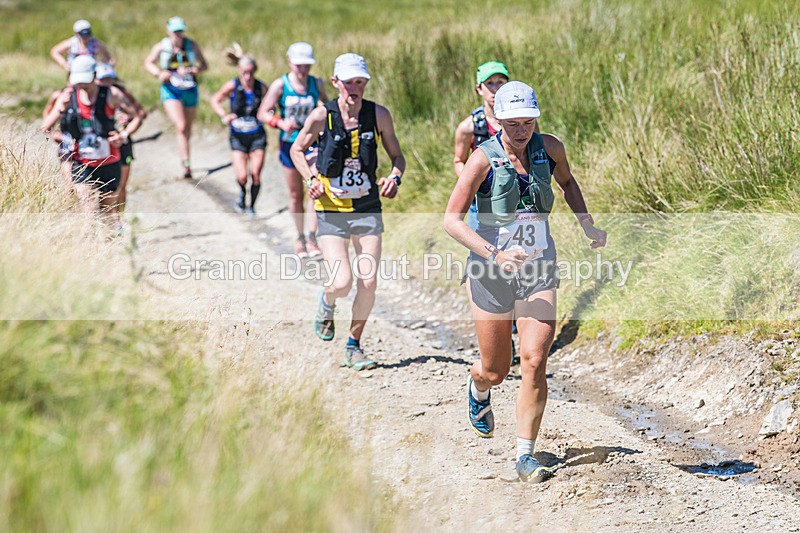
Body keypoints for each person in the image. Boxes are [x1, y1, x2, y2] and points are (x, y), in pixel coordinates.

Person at [443, 81, 607, 482]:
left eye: (528, 122)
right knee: (495, 369)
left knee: (534, 359)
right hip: (490, 272)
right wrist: (494, 254)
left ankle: (525, 456)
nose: (521, 130)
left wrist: (587, 223)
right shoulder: (482, 159)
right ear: (496, 119)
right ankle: (478, 388)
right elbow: (451, 220)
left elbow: (567, 183)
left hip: (538, 268)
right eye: (513, 123)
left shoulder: (549, 148)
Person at [291, 53, 405, 370]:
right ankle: (327, 303)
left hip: (367, 206)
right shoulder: (320, 116)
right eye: (348, 82)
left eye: (360, 82)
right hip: (331, 208)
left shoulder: (378, 115)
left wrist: (394, 178)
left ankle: (354, 345)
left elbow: (398, 156)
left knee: (368, 281)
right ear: (335, 82)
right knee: (341, 283)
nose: (354, 88)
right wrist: (311, 179)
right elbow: (296, 149)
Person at [41, 56, 141, 228]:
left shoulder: (111, 94)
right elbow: (45, 127)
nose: (81, 86)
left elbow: (136, 117)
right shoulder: (67, 96)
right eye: (78, 81)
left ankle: (109, 248)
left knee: (108, 211)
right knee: (88, 208)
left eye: (85, 81)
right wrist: (61, 110)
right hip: (81, 162)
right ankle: (89, 248)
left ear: (94, 75)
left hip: (109, 161)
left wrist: (122, 135)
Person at [258, 42, 328, 258]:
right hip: (289, 143)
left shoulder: (317, 83)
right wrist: (278, 123)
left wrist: (321, 117)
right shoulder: (281, 85)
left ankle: (312, 236)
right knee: (296, 193)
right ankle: (299, 237)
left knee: (315, 189)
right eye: (298, 65)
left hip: (312, 143)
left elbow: (328, 107)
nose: (302, 69)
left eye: (306, 65)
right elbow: (263, 112)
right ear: (290, 62)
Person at [144, 16, 208, 178]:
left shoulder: (192, 46)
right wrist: (159, 73)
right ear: (168, 31)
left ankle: (185, 155)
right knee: (181, 125)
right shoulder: (161, 47)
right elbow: (148, 63)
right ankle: (186, 163)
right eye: (175, 31)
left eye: (180, 31)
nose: (178, 34)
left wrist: (195, 70)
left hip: (190, 89)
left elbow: (204, 65)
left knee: (187, 127)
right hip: (171, 90)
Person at [211, 51, 267, 215]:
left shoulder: (261, 87)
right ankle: (242, 192)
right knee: (242, 176)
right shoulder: (232, 85)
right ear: (239, 71)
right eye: (244, 72)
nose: (247, 76)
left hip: (257, 135)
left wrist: (267, 114)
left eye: (251, 72)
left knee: (255, 174)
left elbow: (274, 102)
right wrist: (224, 116)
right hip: (238, 136)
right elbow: (215, 99)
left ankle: (252, 206)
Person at [96, 63, 146, 213]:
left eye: (110, 79)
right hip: (100, 145)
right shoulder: (88, 95)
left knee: (121, 185)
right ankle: (104, 217)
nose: (107, 83)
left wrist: (126, 127)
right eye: (103, 79)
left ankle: (119, 218)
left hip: (122, 143)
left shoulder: (121, 93)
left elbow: (140, 114)